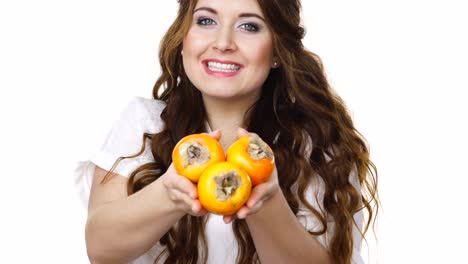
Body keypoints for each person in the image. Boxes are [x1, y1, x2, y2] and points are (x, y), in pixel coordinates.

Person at [75, 0, 379, 263]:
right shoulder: (145, 125)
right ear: (183, 37)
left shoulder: (316, 146)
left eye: (249, 26)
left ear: (277, 50)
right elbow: (100, 250)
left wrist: (267, 203)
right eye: (206, 20)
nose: (222, 42)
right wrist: (168, 194)